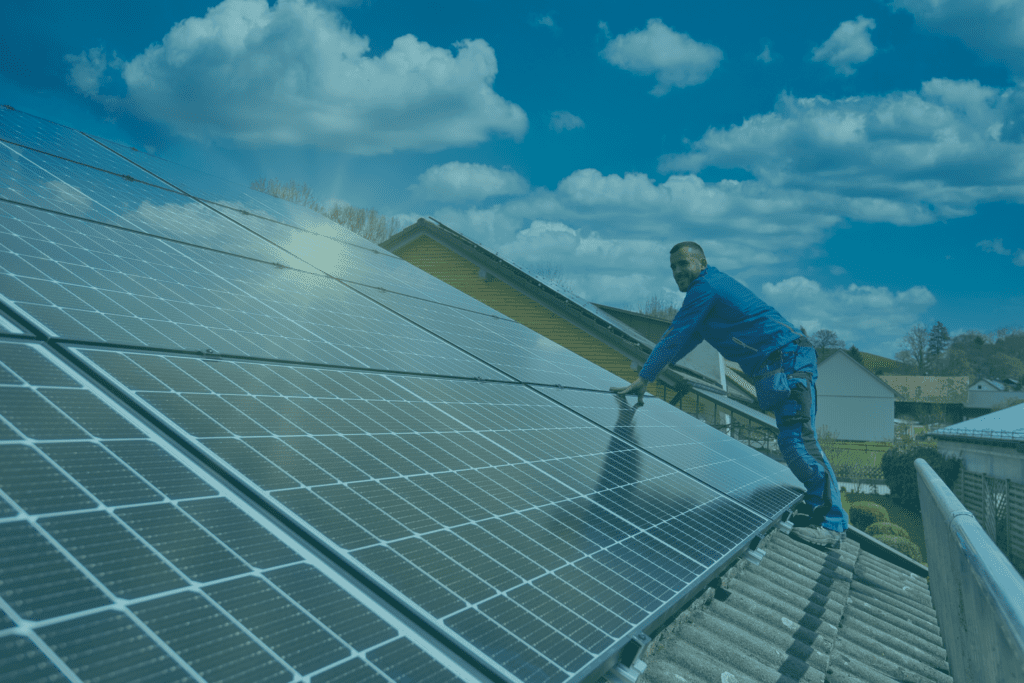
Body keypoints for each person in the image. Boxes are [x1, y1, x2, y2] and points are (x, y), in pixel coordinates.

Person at [612, 241, 849, 548]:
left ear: (702, 263)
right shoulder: (709, 300)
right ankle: (820, 510)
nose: (678, 272)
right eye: (672, 267)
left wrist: (644, 376)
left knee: (797, 442)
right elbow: (682, 343)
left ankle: (832, 523)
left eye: (684, 264)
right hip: (781, 362)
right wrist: (651, 375)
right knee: (795, 440)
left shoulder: (705, 288)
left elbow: (674, 335)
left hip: (787, 361)